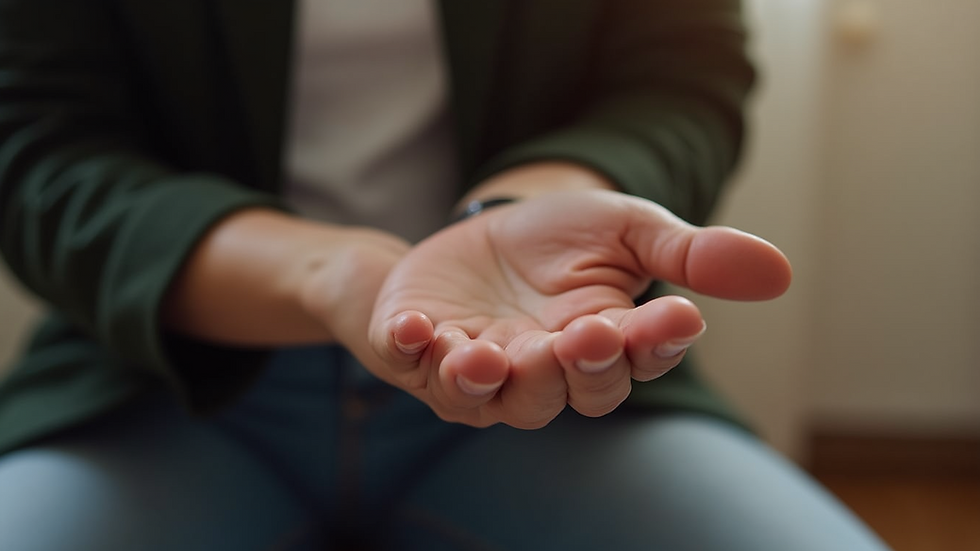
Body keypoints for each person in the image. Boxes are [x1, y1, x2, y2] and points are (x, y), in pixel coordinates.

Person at [0, 1, 890, 550]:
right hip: (154, 382)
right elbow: (38, 147)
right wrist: (330, 274)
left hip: (555, 392)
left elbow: (681, 75)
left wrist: (524, 211)